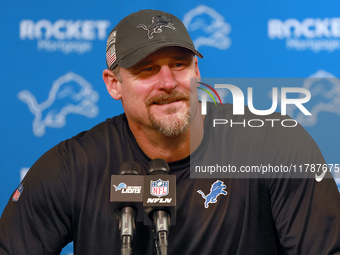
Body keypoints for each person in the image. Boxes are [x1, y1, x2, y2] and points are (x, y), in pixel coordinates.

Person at [0, 9, 339, 255]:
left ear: (196, 69)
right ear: (114, 84)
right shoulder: (74, 165)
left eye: (178, 64)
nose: (168, 83)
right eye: (147, 69)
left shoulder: (274, 144)